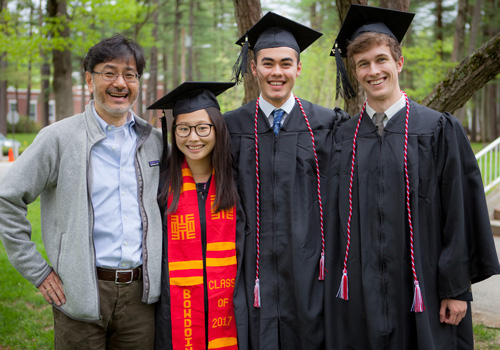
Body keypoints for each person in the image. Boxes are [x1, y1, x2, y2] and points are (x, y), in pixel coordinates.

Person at [325, 5, 500, 349]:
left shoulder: (437, 129)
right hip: (361, 292)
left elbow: (459, 213)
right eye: (363, 64)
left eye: (380, 60)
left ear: (398, 63)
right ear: (354, 71)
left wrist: (456, 290)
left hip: (425, 290)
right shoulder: (342, 139)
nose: (373, 71)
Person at [0, 34, 163, 349]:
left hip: (141, 299)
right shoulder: (58, 138)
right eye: (109, 73)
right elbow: (7, 197)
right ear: (90, 80)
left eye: (130, 75)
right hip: (78, 293)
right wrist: (37, 270)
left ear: (138, 83)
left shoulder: (155, 141)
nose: (120, 83)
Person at [224, 12, 349, 349]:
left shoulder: (329, 124)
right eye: (267, 63)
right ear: (253, 68)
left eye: (285, 63)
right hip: (252, 266)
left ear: (298, 68)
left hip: (310, 266)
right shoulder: (229, 127)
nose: (276, 72)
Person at [148, 82, 245, 350]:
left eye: (203, 128)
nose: (193, 138)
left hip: (230, 306)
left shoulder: (238, 180)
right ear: (173, 131)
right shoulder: (161, 184)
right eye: (183, 128)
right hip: (175, 309)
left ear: (217, 128)